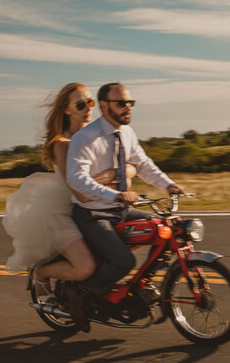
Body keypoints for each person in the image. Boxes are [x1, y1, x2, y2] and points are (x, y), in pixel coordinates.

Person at [66, 82, 185, 332]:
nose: (128, 107)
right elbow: (77, 178)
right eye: (121, 103)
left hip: (119, 209)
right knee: (123, 260)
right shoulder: (86, 138)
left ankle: (138, 289)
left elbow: (143, 164)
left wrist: (169, 185)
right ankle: (82, 294)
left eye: (130, 103)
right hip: (93, 213)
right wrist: (115, 195)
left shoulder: (127, 133)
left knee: (164, 230)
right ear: (104, 106)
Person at [3, 83, 136, 295]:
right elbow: (79, 189)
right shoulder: (62, 144)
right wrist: (116, 179)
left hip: (98, 205)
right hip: (64, 211)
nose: (88, 109)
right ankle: (42, 273)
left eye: (90, 102)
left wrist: (116, 174)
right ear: (67, 110)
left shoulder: (98, 135)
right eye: (81, 105)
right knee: (85, 268)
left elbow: (131, 165)